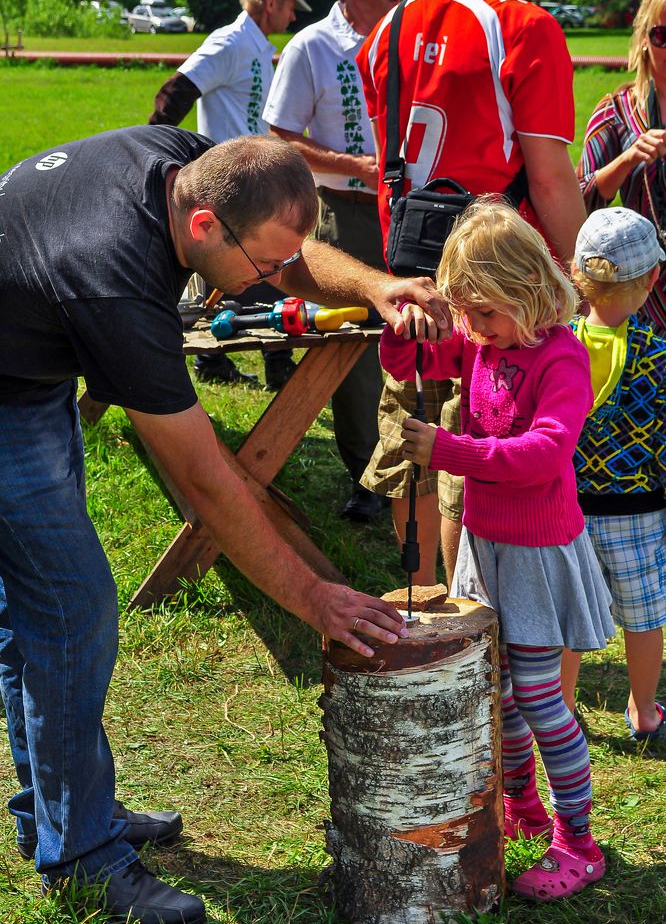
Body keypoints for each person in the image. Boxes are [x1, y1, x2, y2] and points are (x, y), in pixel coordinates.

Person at [0, 125, 449, 923]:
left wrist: (377, 286)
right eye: (266, 270)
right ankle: (80, 856)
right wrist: (315, 598)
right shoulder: (113, 277)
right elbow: (206, 481)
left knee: (35, 616)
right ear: (202, 228)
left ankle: (60, 812)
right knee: (72, 612)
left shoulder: (195, 166)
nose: (278, 283)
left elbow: (289, 241)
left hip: (25, 359)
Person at [382, 200, 614, 901]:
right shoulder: (485, 343)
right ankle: (520, 808)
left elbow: (545, 454)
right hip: (485, 546)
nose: (473, 329)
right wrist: (406, 334)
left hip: (538, 552)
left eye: (483, 312)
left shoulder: (561, 357)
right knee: (502, 694)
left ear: (526, 289)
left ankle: (578, 841)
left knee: (543, 700)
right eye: (465, 314)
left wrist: (450, 450)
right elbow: (421, 357)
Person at [356, 0, 587, 584]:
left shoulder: (388, 31)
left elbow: (387, 167)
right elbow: (547, 176)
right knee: (475, 450)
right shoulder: (521, 24)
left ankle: (422, 598)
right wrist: (582, 283)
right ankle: (478, 626)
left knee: (411, 440)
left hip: (411, 281)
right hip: (501, 289)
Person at [263, 0, 407, 522]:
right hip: (344, 213)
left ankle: (423, 461)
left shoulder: (409, 37)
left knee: (412, 329)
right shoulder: (311, 48)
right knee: (357, 345)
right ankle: (370, 475)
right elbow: (281, 139)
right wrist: (355, 166)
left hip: (404, 208)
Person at [149, 0, 312, 390]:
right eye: (291, 5)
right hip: (227, 177)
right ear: (271, 2)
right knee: (256, 263)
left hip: (254, 173)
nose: (293, 15)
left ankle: (246, 359)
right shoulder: (230, 42)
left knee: (260, 262)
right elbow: (176, 90)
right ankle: (243, 358)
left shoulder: (256, 46)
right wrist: (153, 151)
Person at [564, 208, 665, 742]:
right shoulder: (658, 354)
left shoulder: (559, 345)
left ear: (577, 275)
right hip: (639, 513)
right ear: (653, 278)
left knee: (571, 613)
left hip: (567, 509)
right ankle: (643, 710)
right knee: (644, 615)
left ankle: (559, 708)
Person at [578, 0, 666, 333]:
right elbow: (580, 203)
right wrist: (628, 158)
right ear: (644, 39)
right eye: (663, 36)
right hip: (636, 291)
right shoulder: (615, 110)